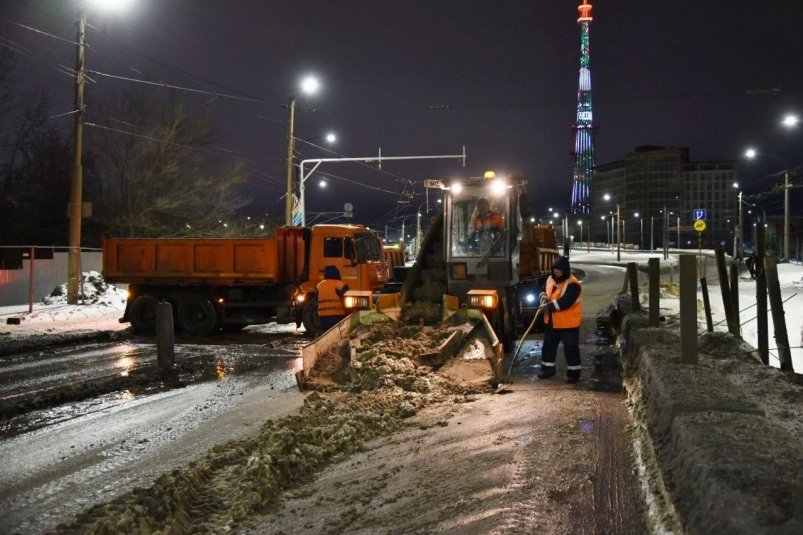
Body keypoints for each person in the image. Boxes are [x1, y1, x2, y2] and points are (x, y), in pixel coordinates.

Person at [537, 256, 583, 383]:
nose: (556, 272)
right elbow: (542, 291)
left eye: (559, 270)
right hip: (552, 322)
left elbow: (565, 302)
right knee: (548, 347)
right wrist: (543, 298)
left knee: (570, 348)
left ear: (565, 270)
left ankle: (573, 374)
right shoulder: (550, 280)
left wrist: (548, 306)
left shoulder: (573, 283)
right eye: (555, 269)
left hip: (568, 323)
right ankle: (547, 370)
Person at [316, 265, 350, 331]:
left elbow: (316, 301)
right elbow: (347, 302)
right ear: (337, 273)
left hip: (322, 318)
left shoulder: (319, 285)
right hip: (338, 317)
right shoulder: (341, 285)